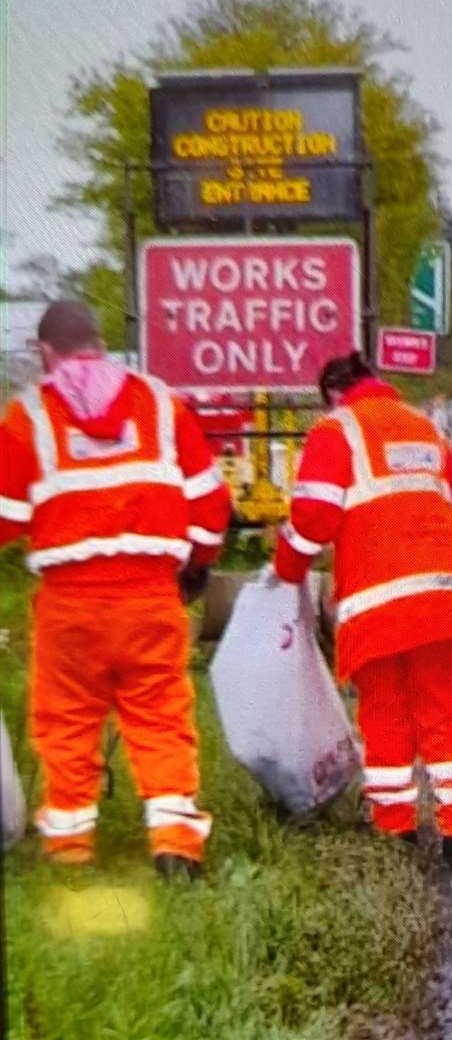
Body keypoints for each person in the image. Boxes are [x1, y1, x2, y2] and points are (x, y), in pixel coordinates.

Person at [0, 301, 231, 879]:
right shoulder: (159, 403)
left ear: (44, 351)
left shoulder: (28, 416)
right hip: (152, 595)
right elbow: (209, 503)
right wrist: (197, 564)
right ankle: (176, 843)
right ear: (99, 343)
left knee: (67, 720)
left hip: (68, 605)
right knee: (159, 714)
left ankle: (70, 851)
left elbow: (3, 516)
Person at [272, 352, 452, 869]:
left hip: (378, 605)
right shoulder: (426, 431)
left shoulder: (336, 431)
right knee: (444, 712)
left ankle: (397, 828)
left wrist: (285, 570)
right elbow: (451, 518)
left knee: (385, 713)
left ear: (333, 393)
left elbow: (314, 520)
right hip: (441, 599)